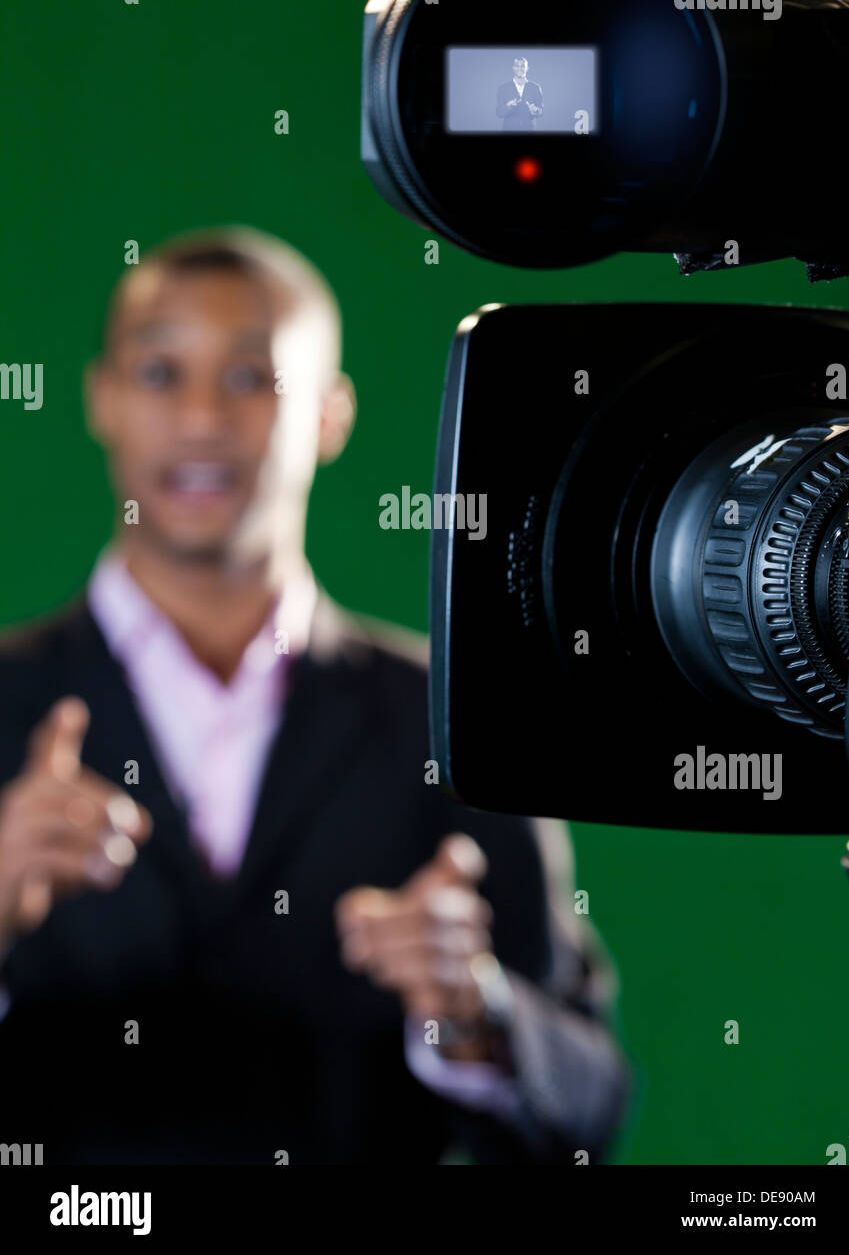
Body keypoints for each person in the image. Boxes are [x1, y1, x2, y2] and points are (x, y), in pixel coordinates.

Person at [0, 226, 629, 1164]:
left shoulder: (456, 719)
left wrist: (478, 1010)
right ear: (102, 399)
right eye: (163, 373)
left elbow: (590, 1108)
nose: (205, 418)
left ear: (331, 416)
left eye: (252, 377)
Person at [496, 56, 544, 131]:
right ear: (512, 68)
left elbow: (541, 111)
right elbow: (499, 112)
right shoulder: (503, 88)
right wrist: (508, 106)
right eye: (517, 66)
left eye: (522, 66)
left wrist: (535, 110)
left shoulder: (535, 87)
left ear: (527, 68)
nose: (519, 69)